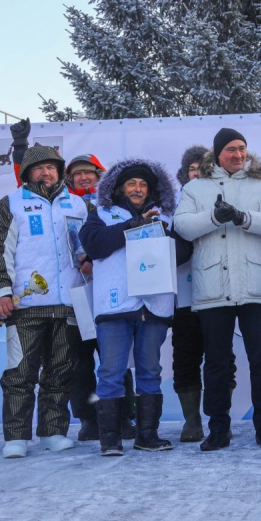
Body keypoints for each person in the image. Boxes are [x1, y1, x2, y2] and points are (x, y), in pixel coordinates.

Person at [8, 118, 125, 442]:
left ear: (101, 176)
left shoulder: (112, 205)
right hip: (75, 295)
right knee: (80, 362)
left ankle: (122, 416)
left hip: (109, 293)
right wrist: (20, 147)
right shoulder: (62, 201)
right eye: (77, 174)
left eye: (90, 173)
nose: (84, 177)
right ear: (68, 178)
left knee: (115, 358)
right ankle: (88, 419)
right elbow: (26, 181)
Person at [174, 128, 261, 452]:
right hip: (213, 287)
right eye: (231, 150)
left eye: (242, 149)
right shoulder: (195, 187)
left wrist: (242, 217)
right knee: (216, 362)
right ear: (217, 154)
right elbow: (182, 225)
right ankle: (218, 429)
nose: (238, 155)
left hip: (255, 285)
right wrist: (214, 216)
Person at [79, 158, 192, 455]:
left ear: (151, 190)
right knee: (110, 371)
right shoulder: (101, 214)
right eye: (131, 183)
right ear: (119, 188)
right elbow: (93, 245)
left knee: (150, 371)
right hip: (115, 304)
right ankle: (110, 440)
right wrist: (131, 226)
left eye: (143, 184)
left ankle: (147, 436)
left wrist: (160, 234)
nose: (138, 189)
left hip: (154, 305)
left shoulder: (166, 218)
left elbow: (184, 252)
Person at [0, 144, 89, 458]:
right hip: (25, 305)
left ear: (59, 171)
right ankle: (16, 437)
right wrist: (2, 292)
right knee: (20, 373)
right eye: (39, 168)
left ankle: (52, 432)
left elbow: (88, 245)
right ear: (28, 173)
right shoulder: (12, 203)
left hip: (68, 301)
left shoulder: (78, 204)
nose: (46, 172)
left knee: (60, 373)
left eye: (51, 167)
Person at [172, 145, 237, 442]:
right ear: (184, 174)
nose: (197, 173)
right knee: (185, 357)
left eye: (203, 168)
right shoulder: (171, 206)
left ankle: (221, 419)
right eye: (192, 169)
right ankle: (192, 421)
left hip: (217, 292)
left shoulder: (226, 201)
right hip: (184, 295)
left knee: (221, 357)